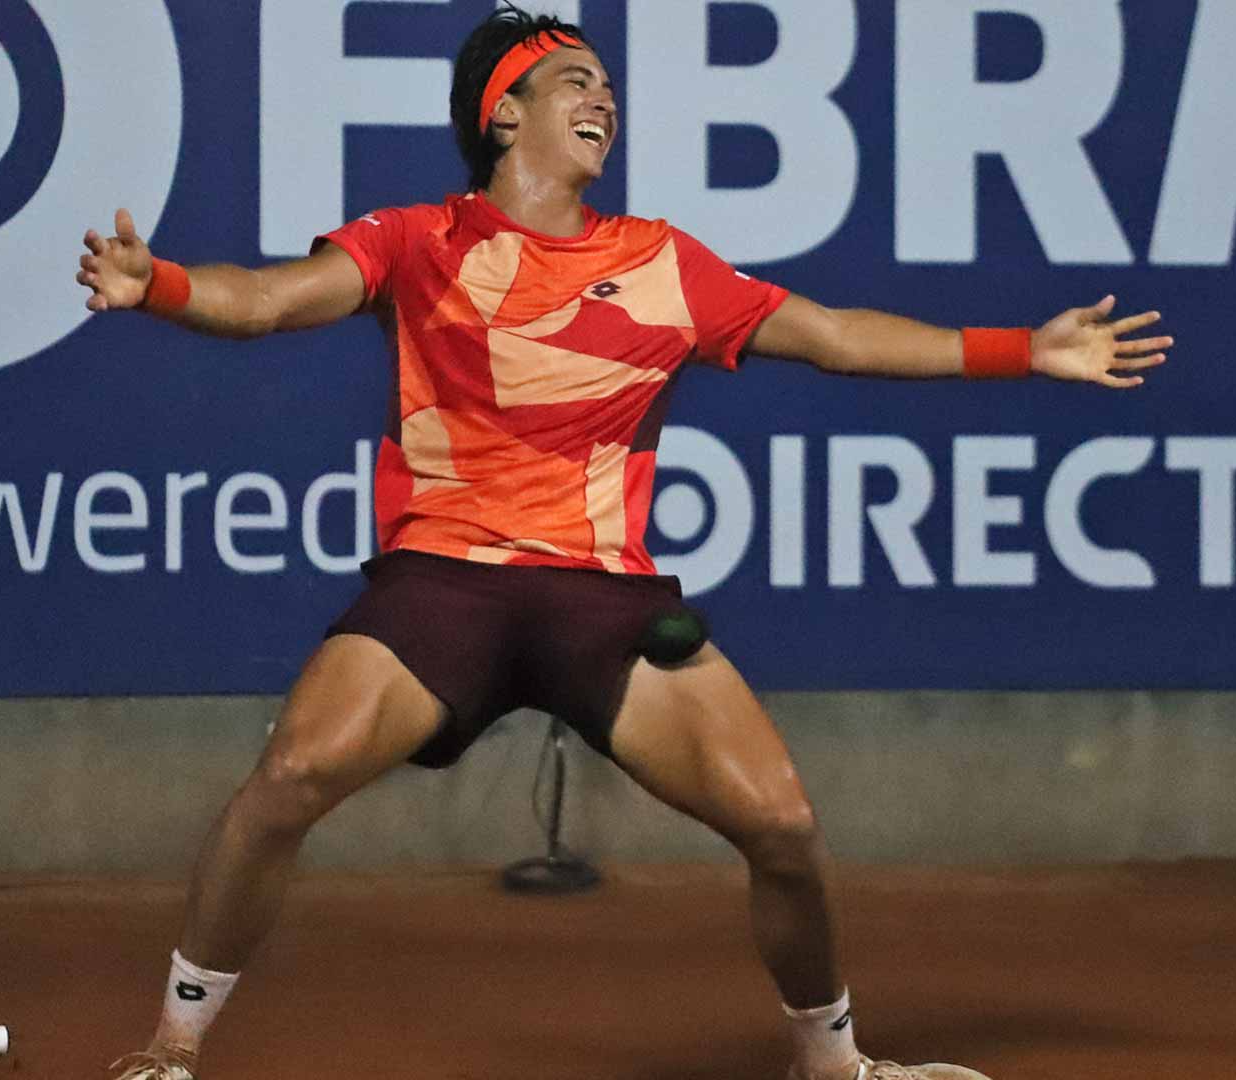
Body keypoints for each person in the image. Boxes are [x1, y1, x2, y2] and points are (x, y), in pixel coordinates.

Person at [75, 8, 1168, 1080]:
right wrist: (158, 285)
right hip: (443, 579)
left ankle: (833, 1065)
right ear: (506, 114)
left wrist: (1022, 348)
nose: (605, 97)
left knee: (783, 824)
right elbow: (264, 301)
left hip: (604, 597)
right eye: (576, 81)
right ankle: (172, 1051)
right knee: (291, 777)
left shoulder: (662, 263)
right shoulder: (415, 240)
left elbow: (835, 336)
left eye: (607, 84)